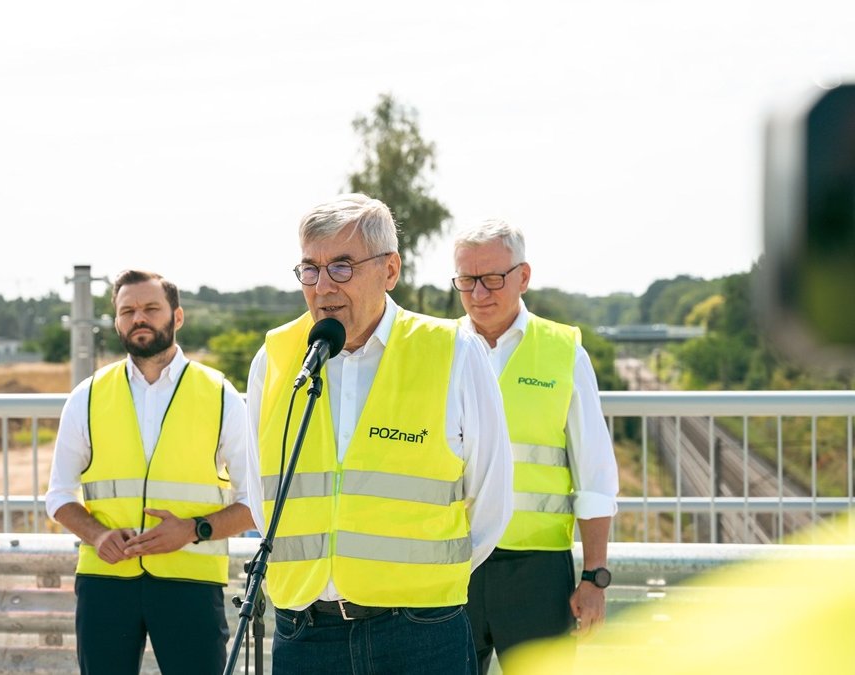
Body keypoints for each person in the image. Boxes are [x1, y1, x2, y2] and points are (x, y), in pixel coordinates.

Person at [246, 194, 514, 674]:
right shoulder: (275, 358)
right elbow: (256, 493)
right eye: (310, 269)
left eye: (342, 267)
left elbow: (492, 500)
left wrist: (418, 590)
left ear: (390, 270)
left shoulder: (453, 353)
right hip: (304, 632)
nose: (323, 286)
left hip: (420, 633)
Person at [45, 269, 260, 675]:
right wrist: (97, 534)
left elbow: (255, 501)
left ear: (176, 317)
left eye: (150, 308)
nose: (138, 318)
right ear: (116, 322)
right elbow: (58, 496)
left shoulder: (220, 395)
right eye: (127, 311)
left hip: (190, 582)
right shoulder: (86, 397)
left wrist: (193, 529)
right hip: (106, 582)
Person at [452, 219, 619, 674]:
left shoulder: (565, 351)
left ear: (523, 277)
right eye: (466, 280)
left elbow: (596, 475)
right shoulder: (438, 349)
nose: (478, 293)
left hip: (537, 572)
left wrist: (594, 578)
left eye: (492, 279)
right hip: (450, 564)